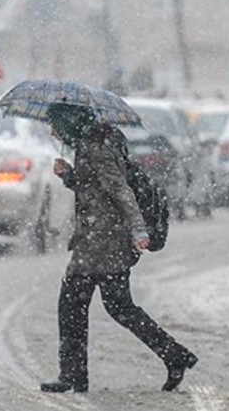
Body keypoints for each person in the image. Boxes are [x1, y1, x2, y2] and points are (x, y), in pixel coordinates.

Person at [40, 103, 197, 393]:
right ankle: (174, 355)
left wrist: (138, 228)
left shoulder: (96, 147)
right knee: (117, 306)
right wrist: (69, 177)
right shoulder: (97, 141)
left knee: (73, 302)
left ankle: (73, 375)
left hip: (104, 241)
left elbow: (119, 189)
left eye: (55, 124)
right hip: (103, 238)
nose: (53, 131)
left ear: (70, 122)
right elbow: (95, 188)